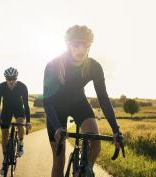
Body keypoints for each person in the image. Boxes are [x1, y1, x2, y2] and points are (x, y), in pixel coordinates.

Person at [43, 25, 122, 177]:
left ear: (89, 46)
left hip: (79, 103)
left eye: (85, 45)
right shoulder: (53, 65)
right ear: (68, 45)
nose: (81, 49)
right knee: (59, 161)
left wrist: (116, 130)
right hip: (56, 107)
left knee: (95, 144)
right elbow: (48, 101)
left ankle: (86, 170)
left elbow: (103, 99)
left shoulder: (94, 66)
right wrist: (58, 127)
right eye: (76, 44)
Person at [0, 67, 31, 175]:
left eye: (13, 78)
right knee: (4, 134)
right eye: (8, 79)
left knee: (20, 124)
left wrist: (28, 121)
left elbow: (26, 105)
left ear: (17, 78)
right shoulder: (0, 87)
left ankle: (20, 142)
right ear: (5, 78)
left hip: (18, 108)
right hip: (6, 109)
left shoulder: (22, 87)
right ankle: (5, 161)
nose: (11, 81)